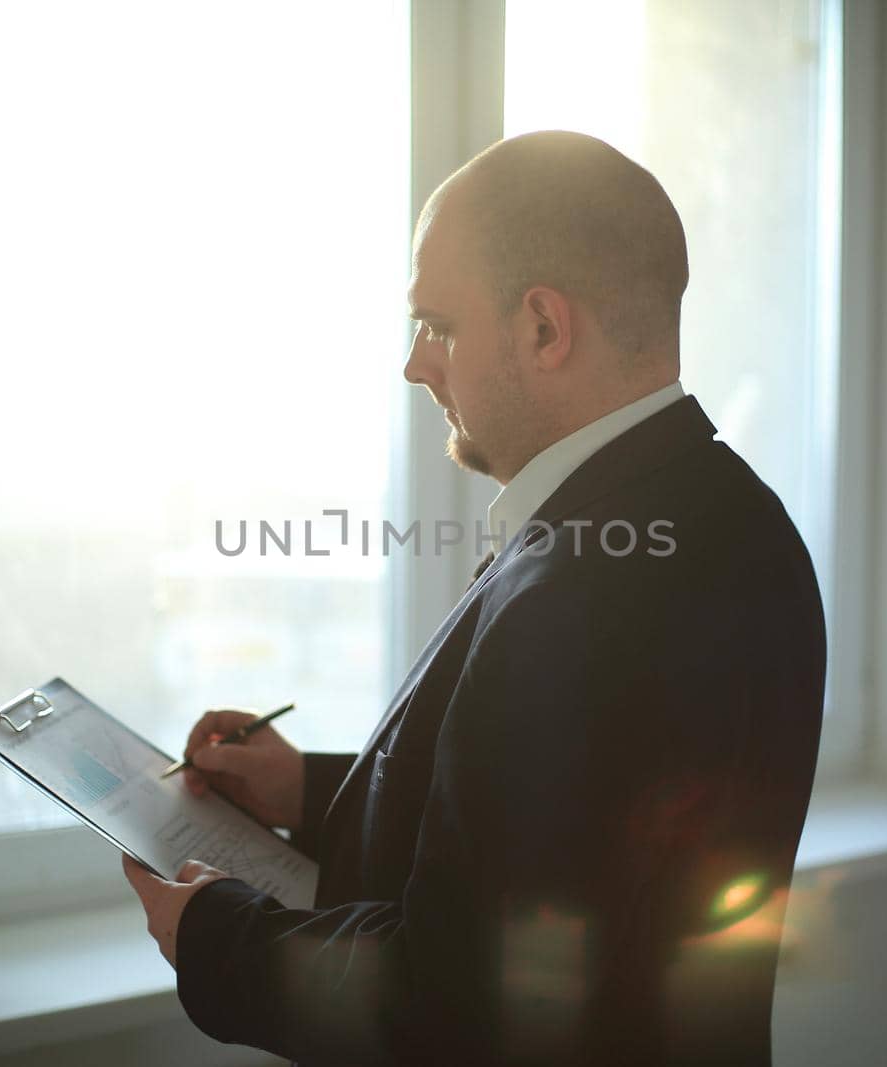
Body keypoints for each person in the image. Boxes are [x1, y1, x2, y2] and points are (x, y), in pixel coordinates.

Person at [122, 130, 826, 1065]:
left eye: (439, 325)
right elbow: (568, 832)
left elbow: (452, 1003)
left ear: (543, 326)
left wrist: (214, 934)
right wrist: (310, 788)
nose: (418, 364)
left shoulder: (583, 585)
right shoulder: (734, 518)